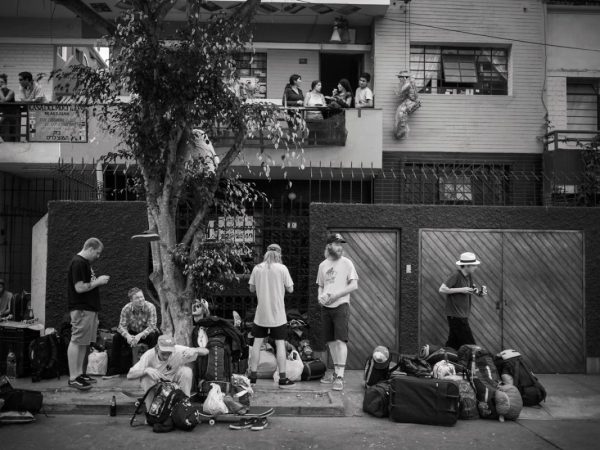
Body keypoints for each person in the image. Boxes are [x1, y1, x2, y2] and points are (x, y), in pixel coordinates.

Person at [248, 243, 296, 388]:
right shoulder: (282, 268)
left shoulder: (257, 268)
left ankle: (253, 378)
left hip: (261, 314)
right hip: (278, 314)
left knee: (257, 343)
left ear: (266, 254)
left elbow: (251, 289)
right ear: (279, 254)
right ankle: (282, 379)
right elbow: (291, 289)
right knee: (280, 344)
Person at [67, 237, 110, 390]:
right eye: (97, 253)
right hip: (82, 308)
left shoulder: (84, 263)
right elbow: (79, 288)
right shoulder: (78, 263)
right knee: (77, 340)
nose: (98, 256)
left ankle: (80, 374)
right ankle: (73, 377)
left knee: (84, 342)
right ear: (90, 248)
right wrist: (97, 281)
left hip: (88, 309)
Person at [316, 233, 358, 391]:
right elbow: (321, 285)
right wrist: (320, 296)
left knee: (340, 340)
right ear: (329, 246)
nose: (340, 247)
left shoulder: (347, 263)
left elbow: (354, 285)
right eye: (336, 244)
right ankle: (335, 372)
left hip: (341, 305)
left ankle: (340, 376)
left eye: (341, 244)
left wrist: (336, 295)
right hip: (326, 307)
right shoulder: (323, 265)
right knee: (331, 342)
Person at [127, 334, 208, 409]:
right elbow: (129, 375)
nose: (166, 356)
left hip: (173, 382)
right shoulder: (148, 355)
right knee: (145, 377)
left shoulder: (178, 350)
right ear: (157, 348)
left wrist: (195, 350)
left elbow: (206, 351)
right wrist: (146, 370)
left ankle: (183, 406)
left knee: (187, 371)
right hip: (157, 384)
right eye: (163, 353)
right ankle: (152, 411)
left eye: (169, 353)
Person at [105, 287, 159, 377]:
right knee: (117, 337)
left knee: (153, 336)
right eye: (137, 298)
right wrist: (128, 336)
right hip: (132, 333)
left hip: (146, 333)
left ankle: (153, 368)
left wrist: (139, 336)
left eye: (142, 297)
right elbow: (121, 326)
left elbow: (152, 326)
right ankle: (114, 370)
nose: (141, 299)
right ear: (131, 300)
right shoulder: (126, 308)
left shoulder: (150, 307)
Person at [438, 252, 488, 350]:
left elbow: (471, 289)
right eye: (474, 265)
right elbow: (442, 289)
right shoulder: (456, 275)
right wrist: (461, 289)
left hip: (462, 315)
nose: (476, 267)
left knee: (453, 344)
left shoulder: (468, 276)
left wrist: (479, 294)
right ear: (466, 265)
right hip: (456, 316)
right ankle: (476, 363)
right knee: (471, 345)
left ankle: (446, 360)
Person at [394, 70, 420, 139]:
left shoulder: (407, 84)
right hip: (411, 101)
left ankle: (403, 131)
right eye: (399, 77)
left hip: (412, 102)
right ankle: (401, 130)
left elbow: (399, 93)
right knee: (400, 112)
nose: (399, 79)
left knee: (401, 112)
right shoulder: (410, 82)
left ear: (404, 77)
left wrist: (398, 88)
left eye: (400, 77)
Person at [0, 74, 18, 143]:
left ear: (6, 83)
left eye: (2, 82)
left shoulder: (11, 92)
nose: (0, 84)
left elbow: (4, 100)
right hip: (2, 114)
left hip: (10, 115)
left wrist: (0, 90)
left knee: (11, 133)